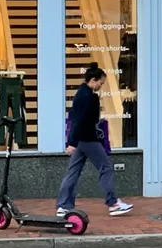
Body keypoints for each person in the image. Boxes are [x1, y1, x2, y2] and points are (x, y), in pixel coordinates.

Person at [56, 63, 133, 217]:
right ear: (93, 79)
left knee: (73, 172)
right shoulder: (87, 97)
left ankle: (63, 206)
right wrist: (72, 143)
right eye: (100, 83)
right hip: (88, 140)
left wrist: (73, 141)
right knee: (106, 168)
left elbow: (77, 119)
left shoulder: (82, 93)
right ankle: (113, 204)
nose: (100, 86)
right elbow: (80, 120)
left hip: (81, 140)